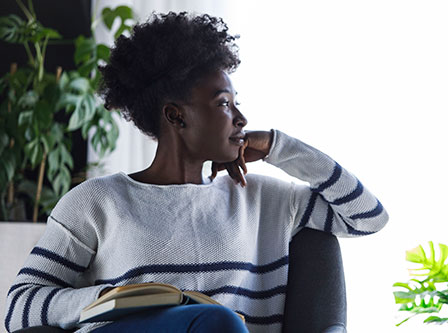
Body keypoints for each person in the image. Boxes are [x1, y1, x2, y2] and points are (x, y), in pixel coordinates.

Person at [4, 12, 389, 333]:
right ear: (176, 115)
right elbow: (19, 306)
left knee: (218, 322)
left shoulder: (266, 200)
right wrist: (108, 299)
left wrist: (278, 146)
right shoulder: (97, 202)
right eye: (224, 104)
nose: (241, 119)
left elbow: (368, 218)